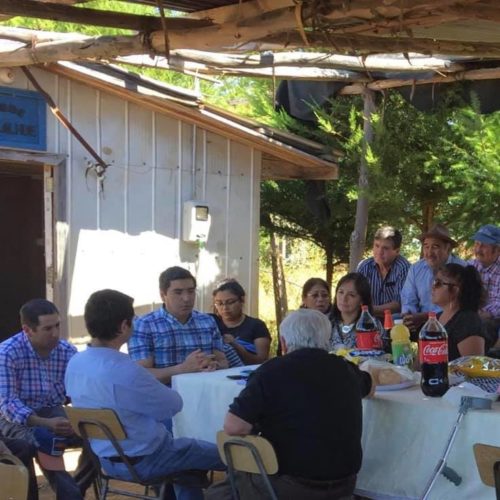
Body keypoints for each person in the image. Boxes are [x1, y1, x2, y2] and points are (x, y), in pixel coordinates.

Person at [65, 289, 226, 500]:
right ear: (124, 326)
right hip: (148, 459)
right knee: (231, 455)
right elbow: (174, 405)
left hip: (105, 458)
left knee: (188, 468)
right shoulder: (125, 370)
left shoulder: (76, 363)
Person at [206, 308, 374, 500]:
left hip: (291, 487)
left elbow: (234, 426)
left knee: (218, 493)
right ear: (326, 339)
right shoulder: (346, 369)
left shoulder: (270, 372)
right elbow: (370, 388)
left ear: (284, 343)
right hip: (345, 486)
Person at [0, 299, 94, 500]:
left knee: (98, 433)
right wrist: (46, 423)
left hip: (54, 412)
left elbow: (81, 392)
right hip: (15, 418)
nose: (55, 333)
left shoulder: (67, 351)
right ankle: (69, 494)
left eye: (58, 325)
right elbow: (8, 404)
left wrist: (73, 418)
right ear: (28, 330)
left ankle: (77, 486)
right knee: (45, 440)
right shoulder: (7, 353)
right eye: (47, 328)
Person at [128, 266, 229, 384]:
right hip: (165, 398)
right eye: (178, 292)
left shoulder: (207, 321)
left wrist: (214, 365)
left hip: (205, 395)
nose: (186, 298)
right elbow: (141, 375)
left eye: (191, 291)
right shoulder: (144, 325)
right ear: (163, 295)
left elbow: (223, 362)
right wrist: (182, 369)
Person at [401, 224, 465, 334]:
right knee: (394, 324)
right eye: (426, 246)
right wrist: (408, 315)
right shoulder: (416, 268)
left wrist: (427, 317)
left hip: (451, 322)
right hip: (419, 322)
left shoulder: (461, 269)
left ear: (448, 248)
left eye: (435, 247)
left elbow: (461, 306)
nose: (429, 253)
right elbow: (408, 299)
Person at [431, 264, 486, 361]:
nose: (433, 287)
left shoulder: (468, 321)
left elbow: (473, 368)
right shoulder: (436, 318)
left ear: (456, 290)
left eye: (438, 283)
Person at [212, 279, 271, 365]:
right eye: (219, 303)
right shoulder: (211, 323)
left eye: (230, 302)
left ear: (242, 300)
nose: (225, 308)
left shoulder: (257, 326)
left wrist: (235, 345)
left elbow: (261, 361)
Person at [357, 226, 410, 316]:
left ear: (397, 251)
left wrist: (368, 310)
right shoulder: (364, 267)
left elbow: (398, 304)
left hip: (393, 321)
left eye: (385, 248)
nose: (379, 252)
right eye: (377, 246)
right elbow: (356, 295)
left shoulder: (404, 268)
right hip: (366, 317)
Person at [330, 273, 384, 351]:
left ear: (362, 300)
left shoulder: (372, 325)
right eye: (341, 292)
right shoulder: (327, 322)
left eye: (351, 295)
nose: (344, 298)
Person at [467, 224, 500, 348]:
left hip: (493, 320)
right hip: (475, 315)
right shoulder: (470, 266)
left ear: (497, 250)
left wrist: (483, 314)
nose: (478, 249)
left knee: (480, 326)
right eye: (476, 244)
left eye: (484, 245)